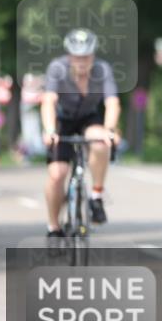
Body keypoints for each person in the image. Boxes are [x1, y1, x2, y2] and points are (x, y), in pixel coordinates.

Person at [41, 29, 120, 238]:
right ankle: (53, 226)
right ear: (69, 55)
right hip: (63, 120)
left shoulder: (103, 69)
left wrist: (110, 130)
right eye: (77, 56)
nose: (82, 61)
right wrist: (49, 130)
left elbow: (112, 102)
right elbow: (48, 101)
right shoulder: (57, 68)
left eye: (86, 56)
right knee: (57, 174)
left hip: (88, 117)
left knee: (100, 141)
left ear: (93, 55)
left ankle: (96, 196)